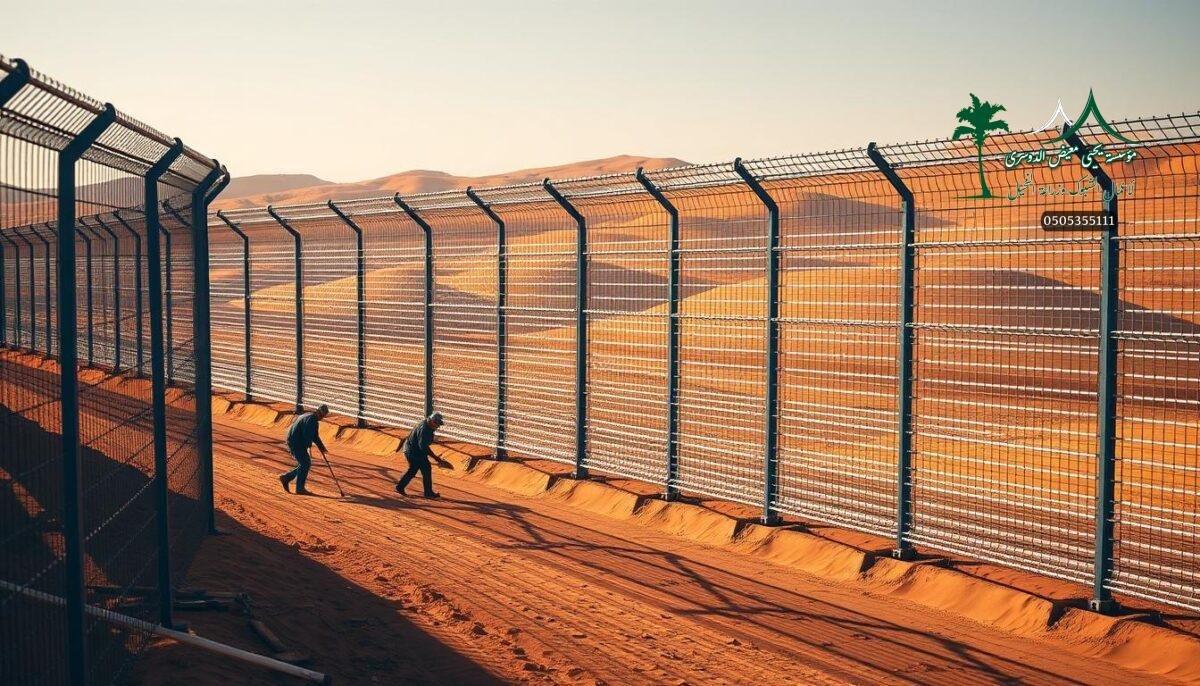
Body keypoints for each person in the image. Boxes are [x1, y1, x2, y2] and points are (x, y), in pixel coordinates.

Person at [280, 404, 330, 495]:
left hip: (294, 441)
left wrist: (321, 447)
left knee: (304, 464)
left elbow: (314, 436)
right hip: (296, 443)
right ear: (319, 412)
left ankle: (287, 478)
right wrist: (308, 445)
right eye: (322, 415)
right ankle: (299, 487)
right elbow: (307, 435)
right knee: (305, 463)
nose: (322, 417)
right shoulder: (312, 420)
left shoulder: (309, 417)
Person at [396, 412, 444, 498]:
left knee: (414, 470)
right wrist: (436, 458)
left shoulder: (427, 425)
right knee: (425, 468)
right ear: (432, 421)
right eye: (437, 424)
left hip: (413, 449)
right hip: (413, 451)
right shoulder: (425, 430)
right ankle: (428, 493)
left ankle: (400, 487)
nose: (438, 427)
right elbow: (423, 447)